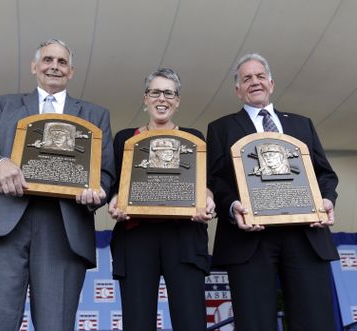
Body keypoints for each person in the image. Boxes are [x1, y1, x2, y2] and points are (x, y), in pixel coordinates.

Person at [0, 39, 115, 331]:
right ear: (34, 67)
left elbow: (105, 175)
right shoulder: (4, 104)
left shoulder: (95, 115)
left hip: (63, 227)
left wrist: (96, 193)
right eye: (47, 60)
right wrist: (0, 165)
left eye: (61, 62)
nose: (54, 67)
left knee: (55, 324)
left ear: (71, 71)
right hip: (3, 225)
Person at [207, 53, 339, 331]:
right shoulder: (221, 128)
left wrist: (326, 200)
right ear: (238, 90)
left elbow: (324, 174)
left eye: (259, 76)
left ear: (271, 83)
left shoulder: (302, 124)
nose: (254, 82)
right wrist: (232, 207)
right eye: (246, 78)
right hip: (250, 238)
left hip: (305, 234)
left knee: (316, 320)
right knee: (254, 322)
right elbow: (214, 180)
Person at [108, 68, 215, 331]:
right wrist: (115, 200)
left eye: (169, 93)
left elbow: (206, 185)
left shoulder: (194, 138)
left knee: (190, 321)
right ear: (145, 98)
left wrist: (208, 199)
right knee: (137, 322)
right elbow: (114, 186)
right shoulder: (125, 139)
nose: (162, 99)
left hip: (184, 237)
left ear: (177, 101)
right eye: (155, 92)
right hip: (136, 237)